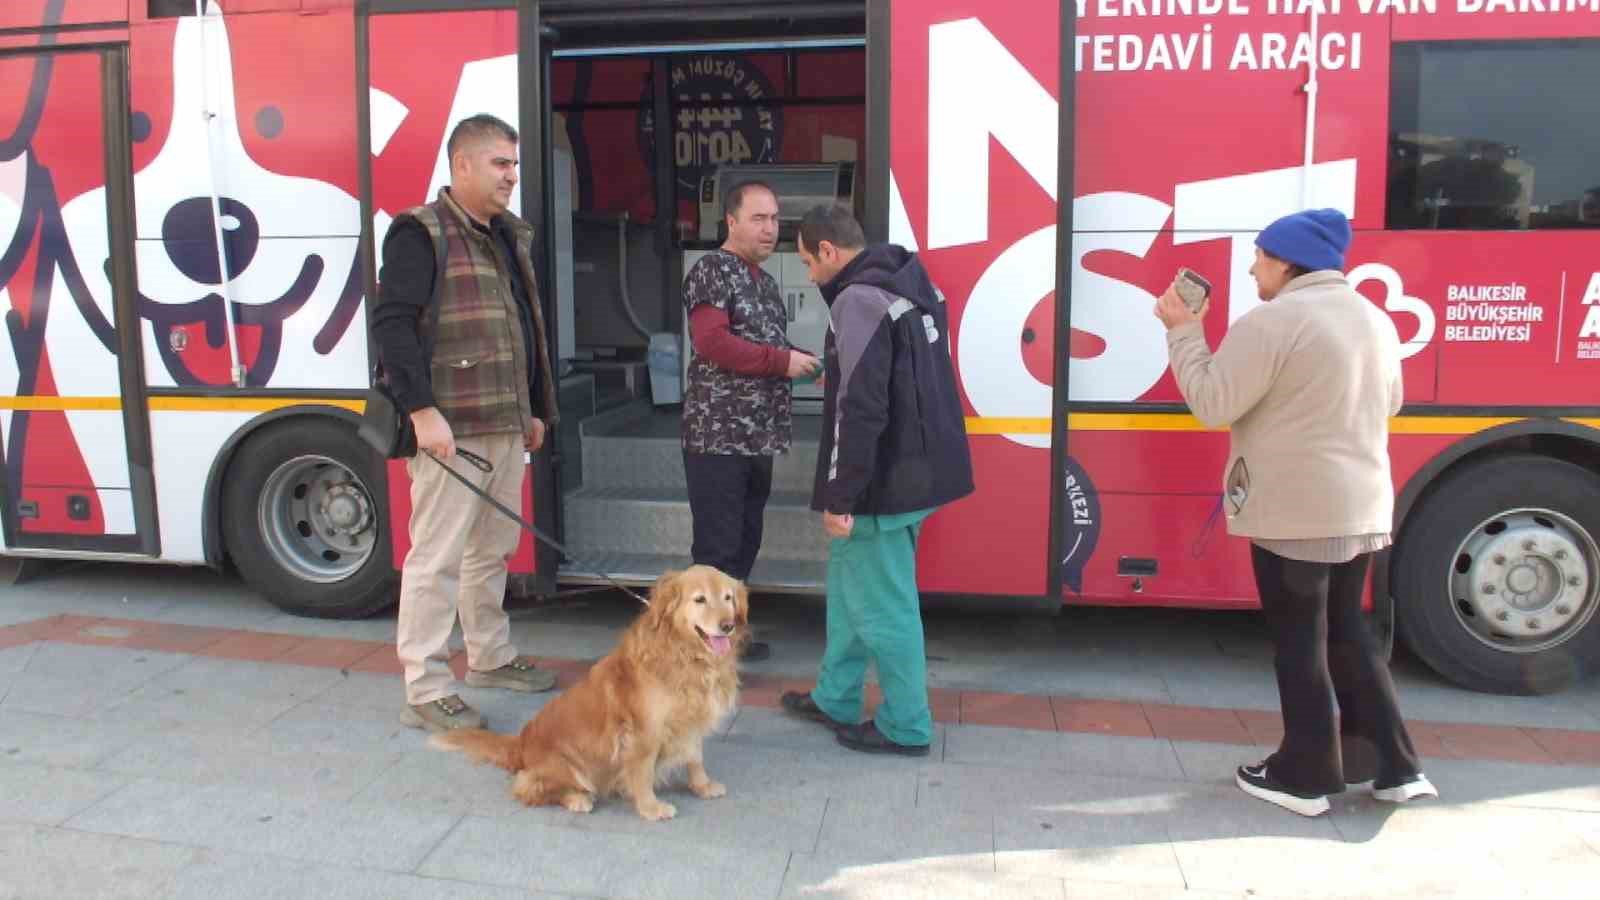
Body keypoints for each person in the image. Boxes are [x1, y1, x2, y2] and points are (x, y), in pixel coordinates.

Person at [1155, 207, 1438, 815]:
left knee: (1299, 641)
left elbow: (1212, 402)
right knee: (1349, 633)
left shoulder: (1273, 320)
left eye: (1259, 255)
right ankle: (1393, 765)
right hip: (1362, 506)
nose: (1253, 265)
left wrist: (1183, 330)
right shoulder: (1374, 317)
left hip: (1294, 513)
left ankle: (1304, 775)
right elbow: (1391, 402)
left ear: (1286, 261)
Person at [372, 113, 560, 732]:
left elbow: (518, 325)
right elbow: (392, 325)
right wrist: (422, 411)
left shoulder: (504, 234)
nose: (512, 176)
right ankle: (425, 686)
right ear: (461, 166)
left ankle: (489, 657)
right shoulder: (419, 233)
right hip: (451, 430)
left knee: (492, 551)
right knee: (437, 558)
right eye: (500, 164)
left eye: (513, 164)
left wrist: (531, 407)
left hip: (504, 423)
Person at [777, 203, 974, 756]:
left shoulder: (858, 299)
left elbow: (858, 409)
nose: (809, 275)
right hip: (915, 470)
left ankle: (905, 726)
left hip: (882, 487)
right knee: (848, 593)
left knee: (884, 608)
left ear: (828, 252)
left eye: (808, 263)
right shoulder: (906, 283)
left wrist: (843, 495)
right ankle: (835, 696)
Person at [681, 180, 822, 662]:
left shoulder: (762, 280)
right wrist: (783, 362)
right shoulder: (712, 271)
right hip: (717, 436)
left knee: (744, 541)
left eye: (775, 219)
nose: (770, 229)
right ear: (732, 222)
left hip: (756, 436)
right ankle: (700, 648)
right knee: (717, 548)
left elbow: (761, 344)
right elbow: (713, 344)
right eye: (758, 218)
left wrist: (798, 359)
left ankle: (728, 637)